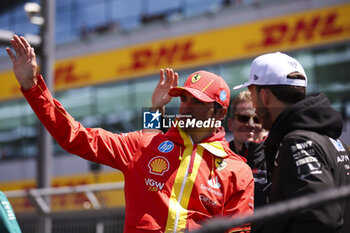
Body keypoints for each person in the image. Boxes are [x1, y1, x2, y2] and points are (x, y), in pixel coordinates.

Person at [6, 35, 254, 233]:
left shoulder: (237, 171)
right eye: (184, 97)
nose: (187, 106)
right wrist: (32, 87)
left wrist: (155, 111)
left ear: (220, 114)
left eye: (198, 102)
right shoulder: (143, 145)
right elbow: (74, 137)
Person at [233, 51, 350, 233]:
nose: (254, 106)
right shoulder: (332, 140)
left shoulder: (297, 142)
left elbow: (321, 218)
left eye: (252, 94)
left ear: (264, 96)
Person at [228, 90, 270, 210]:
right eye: (243, 118)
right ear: (230, 124)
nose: (251, 124)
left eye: (257, 119)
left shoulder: (278, 155)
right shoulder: (218, 156)